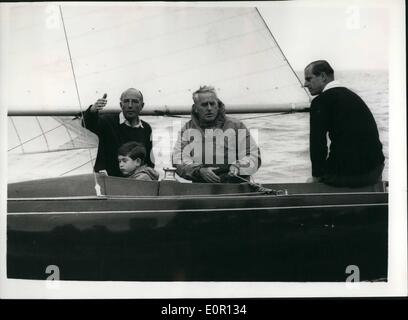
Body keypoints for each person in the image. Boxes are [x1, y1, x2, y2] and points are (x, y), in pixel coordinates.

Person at [303, 60, 385, 187]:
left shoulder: (319, 102)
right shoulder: (353, 96)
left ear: (323, 77)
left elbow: (318, 144)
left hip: (349, 176)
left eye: (309, 79)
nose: (305, 84)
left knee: (311, 182)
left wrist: (316, 177)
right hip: (375, 171)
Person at [172, 85, 261, 183]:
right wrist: (198, 171)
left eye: (212, 104)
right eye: (204, 105)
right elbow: (178, 159)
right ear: (196, 108)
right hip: (202, 186)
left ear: (217, 105)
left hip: (235, 184)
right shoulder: (187, 129)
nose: (209, 108)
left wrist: (239, 167)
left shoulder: (236, 126)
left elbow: (253, 155)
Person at [81, 88, 154, 177]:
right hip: (107, 181)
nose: (130, 105)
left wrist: (147, 175)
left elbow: (148, 160)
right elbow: (87, 124)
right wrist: (92, 110)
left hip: (134, 183)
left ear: (142, 105)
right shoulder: (107, 122)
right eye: (126, 101)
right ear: (121, 105)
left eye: (135, 102)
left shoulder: (146, 128)